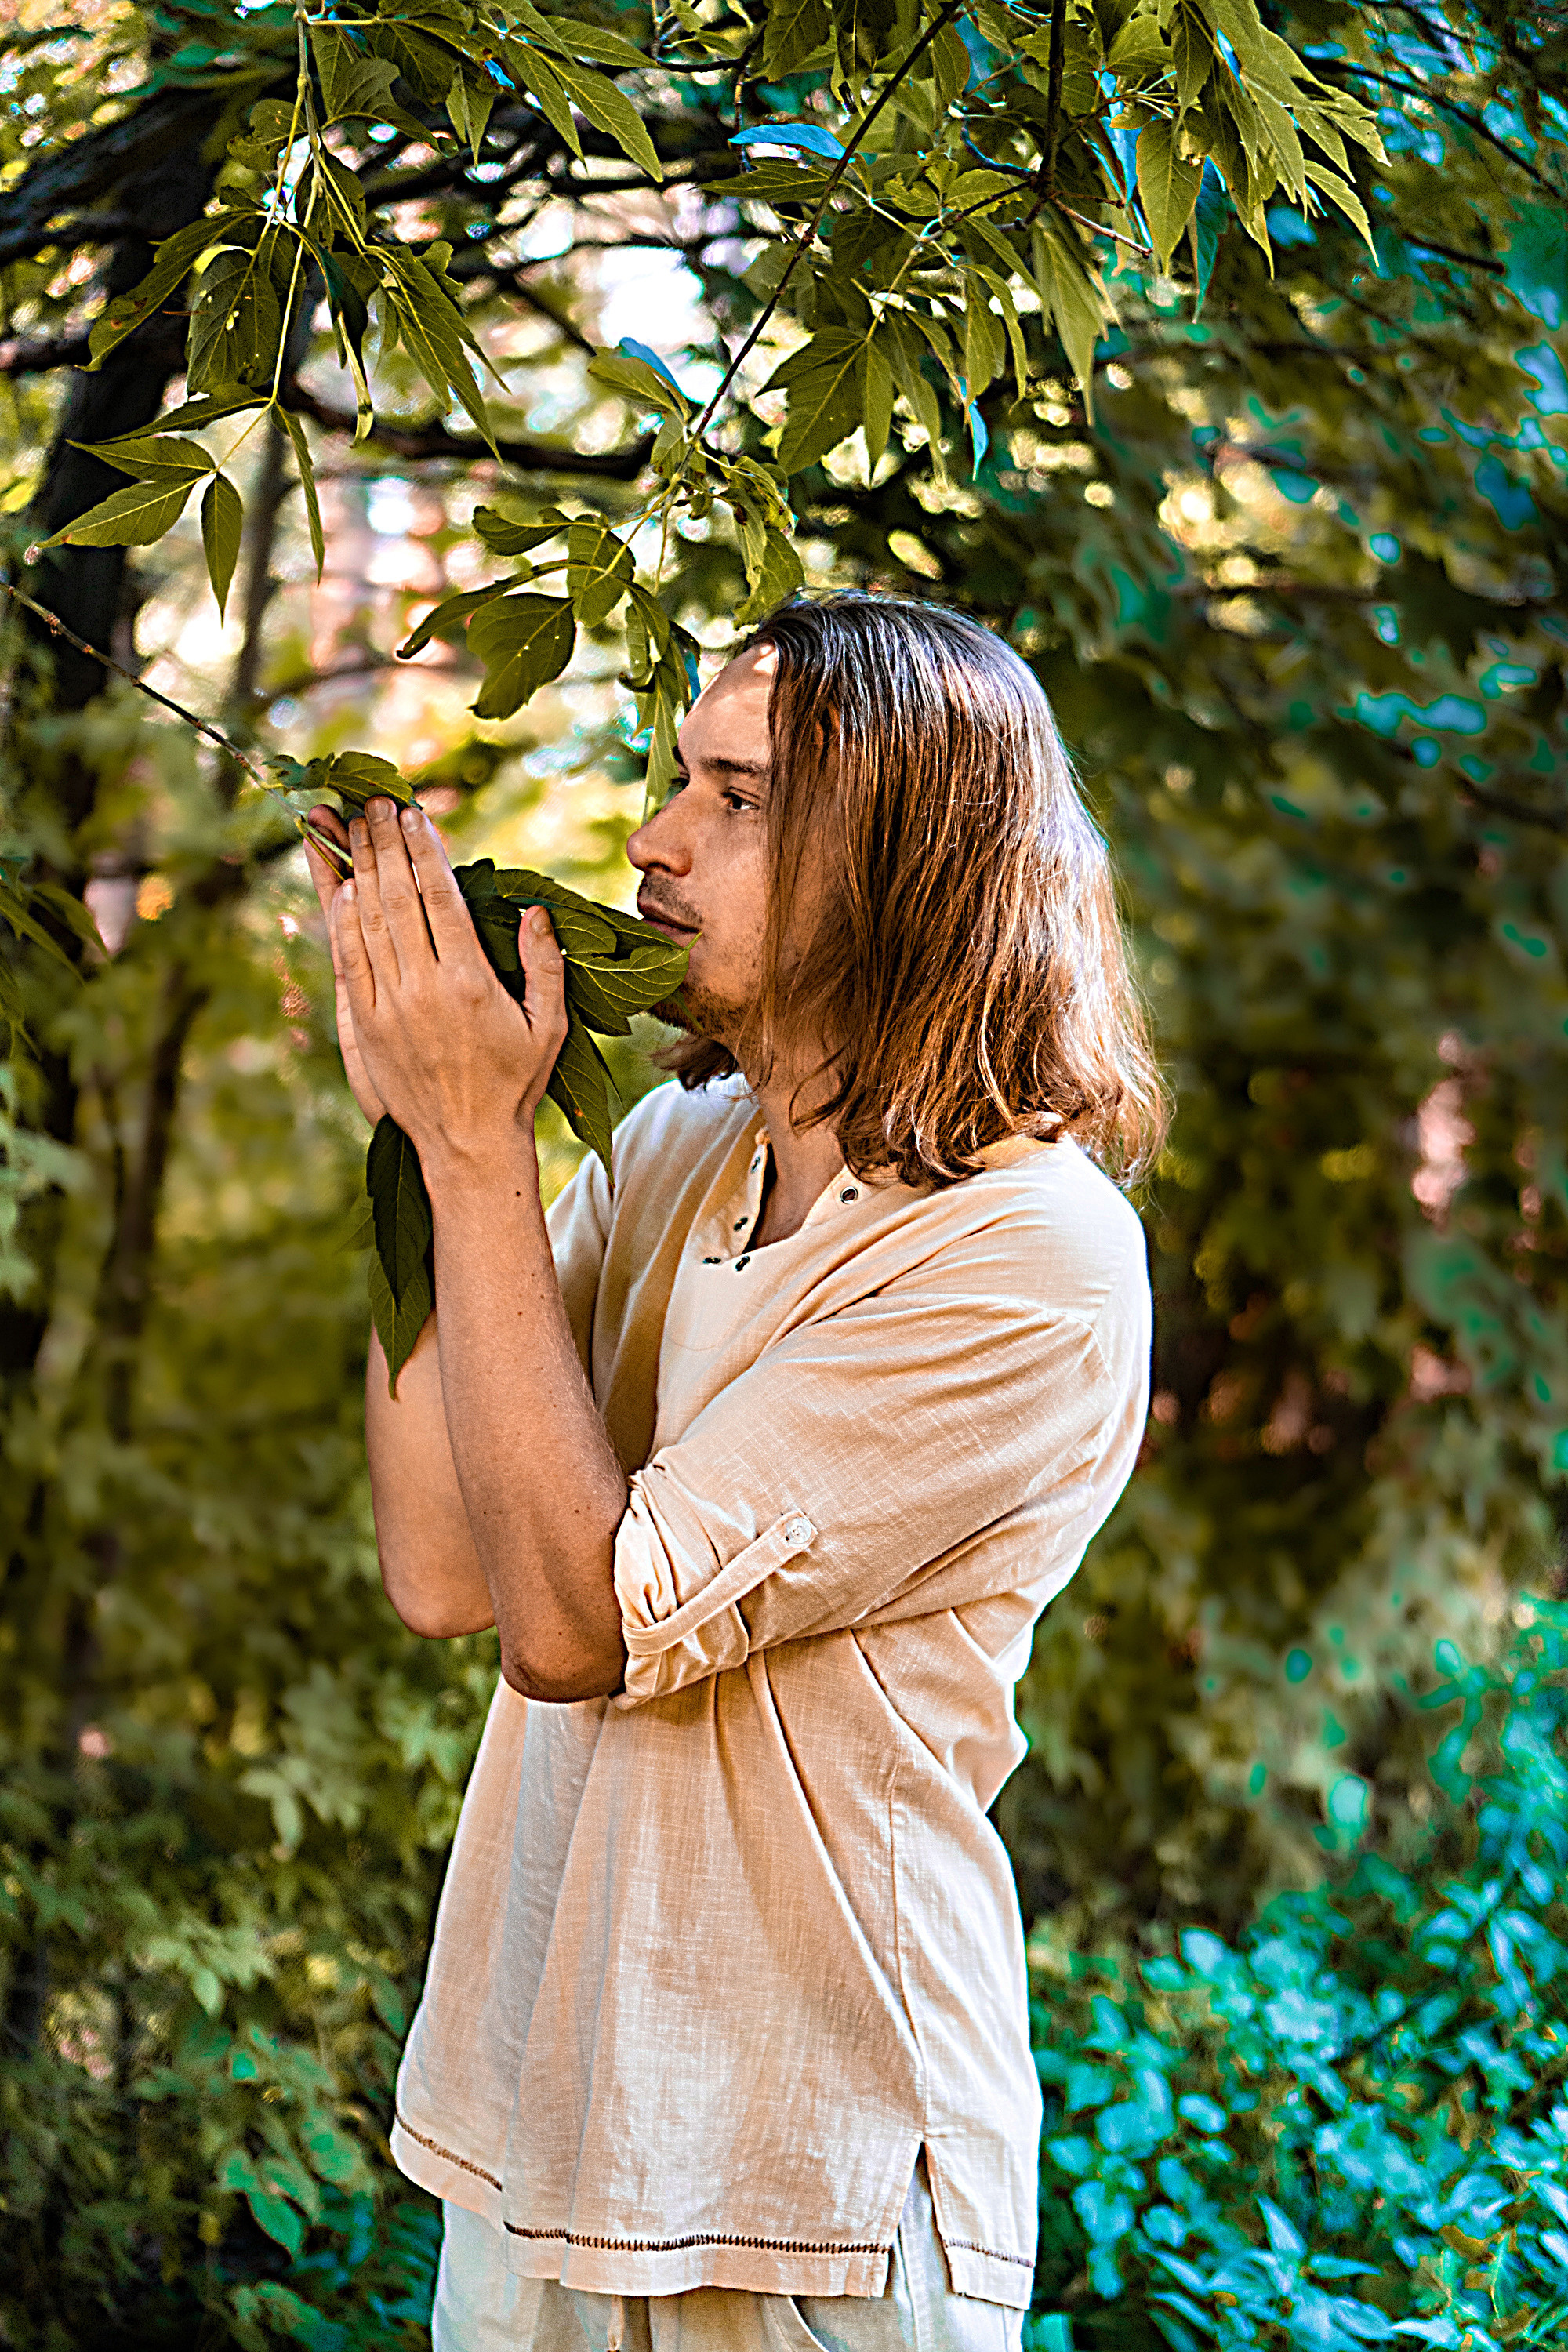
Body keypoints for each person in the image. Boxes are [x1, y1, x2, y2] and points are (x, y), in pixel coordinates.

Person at [303, 594, 1163, 2352]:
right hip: (549, 2128)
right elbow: (448, 1573)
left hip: (809, 2200)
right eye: (679, 780)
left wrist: (480, 1152)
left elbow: (572, 1628)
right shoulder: (680, 1146)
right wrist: (416, 1137)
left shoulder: (1026, 1253)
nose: (656, 838)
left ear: (915, 858)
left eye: (742, 797)